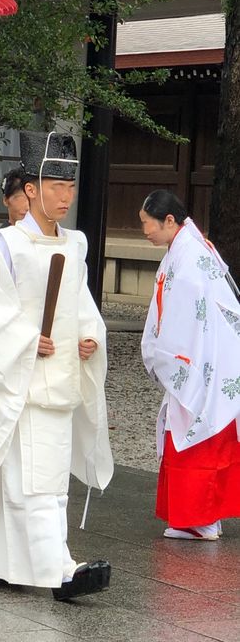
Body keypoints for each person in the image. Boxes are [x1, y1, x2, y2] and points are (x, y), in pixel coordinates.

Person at [0, 130, 113, 600]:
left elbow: (82, 304)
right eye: (56, 186)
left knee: (37, 477)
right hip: (17, 378)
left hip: (59, 378)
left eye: (71, 186)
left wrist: (88, 337)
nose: (66, 196)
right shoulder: (4, 247)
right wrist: (22, 341)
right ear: (32, 190)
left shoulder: (74, 246)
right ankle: (58, 569)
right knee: (32, 482)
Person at [139, 190, 240, 541]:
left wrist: (167, 357)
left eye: (147, 222)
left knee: (195, 437)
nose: (144, 230)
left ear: (169, 220)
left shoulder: (191, 256)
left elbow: (187, 319)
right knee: (206, 436)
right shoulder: (189, 249)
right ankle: (203, 517)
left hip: (199, 362)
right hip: (209, 359)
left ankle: (202, 520)